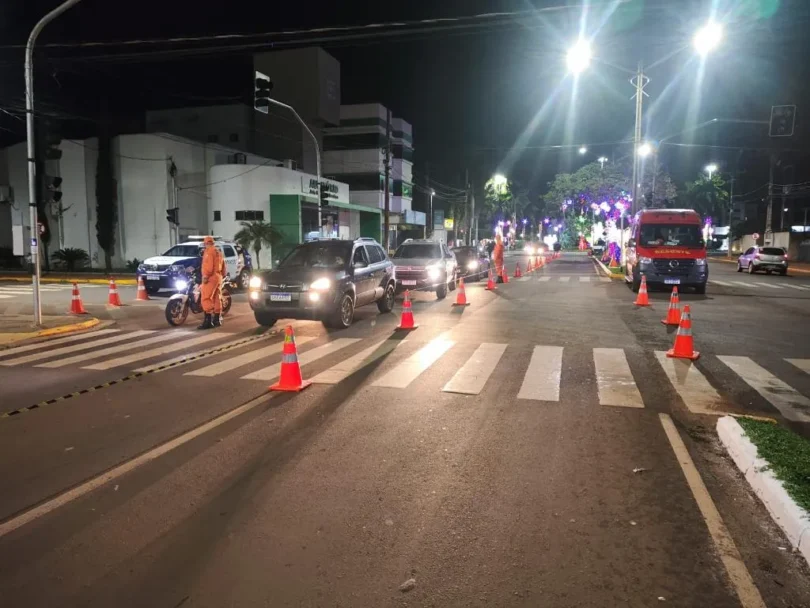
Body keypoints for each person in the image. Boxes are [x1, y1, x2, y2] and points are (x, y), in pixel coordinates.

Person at [198, 235, 224, 330]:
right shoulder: (218, 252)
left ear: (206, 243)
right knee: (217, 297)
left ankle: (208, 321)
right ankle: (217, 319)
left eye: (205, 243)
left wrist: (206, 276)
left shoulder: (209, 252)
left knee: (206, 298)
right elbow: (223, 266)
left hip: (210, 278)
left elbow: (209, 266)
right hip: (218, 277)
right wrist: (222, 275)